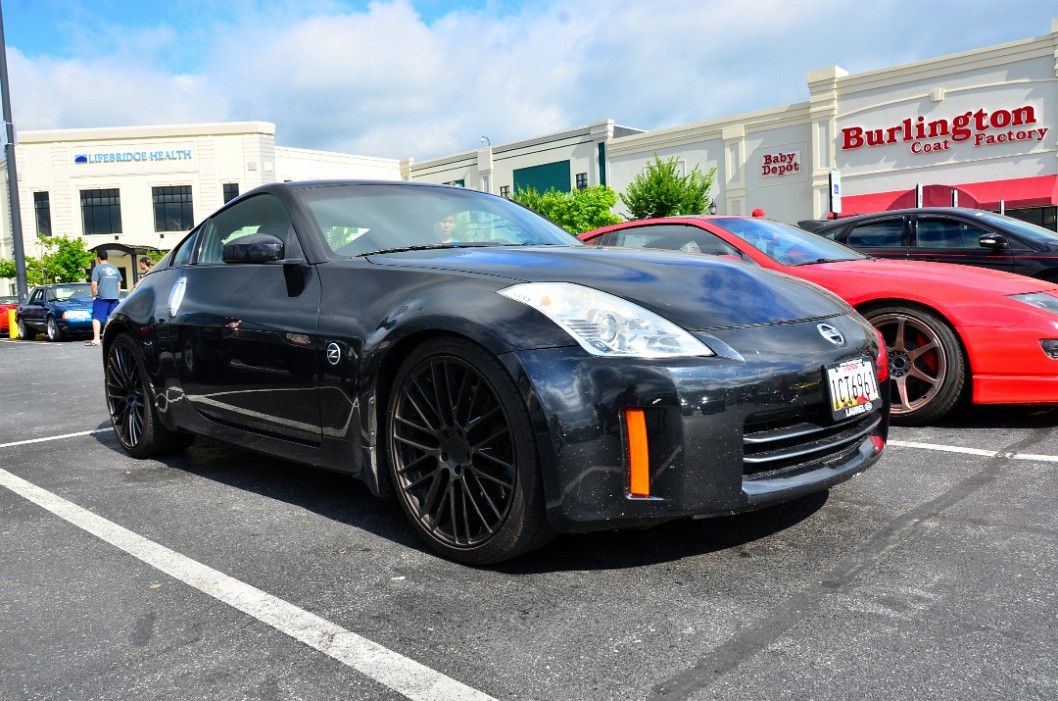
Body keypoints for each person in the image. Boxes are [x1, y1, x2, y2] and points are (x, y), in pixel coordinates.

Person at [87, 251, 122, 346]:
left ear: (98, 258)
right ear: (107, 257)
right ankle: (110, 337)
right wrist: (116, 294)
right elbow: (119, 284)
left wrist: (94, 295)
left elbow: (94, 284)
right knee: (112, 317)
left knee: (96, 317)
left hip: (102, 297)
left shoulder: (97, 269)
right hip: (114, 297)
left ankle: (96, 339)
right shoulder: (115, 268)